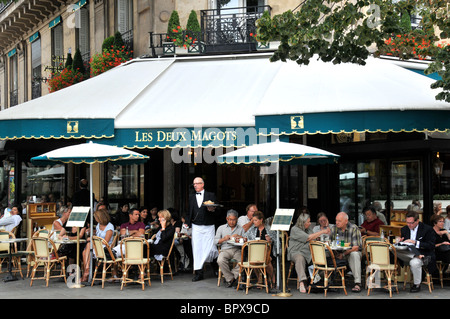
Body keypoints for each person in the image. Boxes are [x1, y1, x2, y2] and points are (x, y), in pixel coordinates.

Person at [184, 177, 219, 282]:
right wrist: (187, 223)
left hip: (209, 225)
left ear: (202, 184)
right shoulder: (191, 197)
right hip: (196, 226)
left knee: (211, 248)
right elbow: (189, 211)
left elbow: (218, 211)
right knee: (197, 249)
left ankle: (216, 268)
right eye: (194, 184)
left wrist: (212, 209)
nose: (195, 185)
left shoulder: (211, 195)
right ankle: (199, 273)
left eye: (197, 183)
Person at [288, 213, 330, 293]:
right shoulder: (295, 229)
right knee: (300, 258)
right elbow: (309, 237)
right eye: (308, 222)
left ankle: (317, 281)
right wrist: (322, 231)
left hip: (308, 252)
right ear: (303, 223)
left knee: (323, 257)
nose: (310, 223)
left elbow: (313, 237)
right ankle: (302, 282)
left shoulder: (308, 229)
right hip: (296, 251)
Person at [397, 210, 436, 293]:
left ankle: (416, 284)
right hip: (407, 254)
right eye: (407, 222)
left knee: (414, 262)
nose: (409, 225)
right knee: (393, 250)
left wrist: (416, 242)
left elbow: (431, 245)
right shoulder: (404, 229)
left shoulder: (427, 229)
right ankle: (415, 256)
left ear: (417, 221)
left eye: (411, 223)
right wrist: (400, 242)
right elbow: (404, 244)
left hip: (423, 254)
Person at [329, 212, 363, 293]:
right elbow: (330, 244)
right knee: (326, 253)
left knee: (354, 255)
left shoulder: (354, 228)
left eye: (339, 221)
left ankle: (358, 283)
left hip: (351, 252)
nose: (337, 222)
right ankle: (325, 280)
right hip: (338, 253)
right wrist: (336, 253)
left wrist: (343, 254)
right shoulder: (334, 228)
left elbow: (356, 247)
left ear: (346, 221)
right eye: (336, 220)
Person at [81, 209, 115, 282]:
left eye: (96, 217)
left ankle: (86, 272)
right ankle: (87, 270)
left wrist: (93, 239)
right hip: (97, 246)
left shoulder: (109, 227)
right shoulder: (98, 225)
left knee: (87, 247)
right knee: (85, 250)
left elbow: (105, 242)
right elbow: (97, 235)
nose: (95, 219)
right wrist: (92, 232)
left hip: (105, 248)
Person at [246, 210, 277, 289]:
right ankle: (259, 279)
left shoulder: (269, 229)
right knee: (255, 259)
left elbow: (276, 241)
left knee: (267, 259)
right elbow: (246, 237)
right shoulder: (252, 229)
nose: (254, 222)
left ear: (261, 220)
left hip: (268, 252)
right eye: (253, 221)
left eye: (256, 220)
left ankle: (273, 279)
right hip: (255, 253)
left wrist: (270, 240)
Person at [214, 209, 245, 287]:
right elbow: (215, 241)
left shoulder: (240, 229)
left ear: (237, 219)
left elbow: (245, 240)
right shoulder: (221, 228)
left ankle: (232, 277)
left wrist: (239, 237)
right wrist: (224, 239)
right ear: (227, 219)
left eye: (234, 220)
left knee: (243, 262)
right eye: (230, 220)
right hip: (225, 250)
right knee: (220, 260)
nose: (232, 222)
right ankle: (230, 278)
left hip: (237, 250)